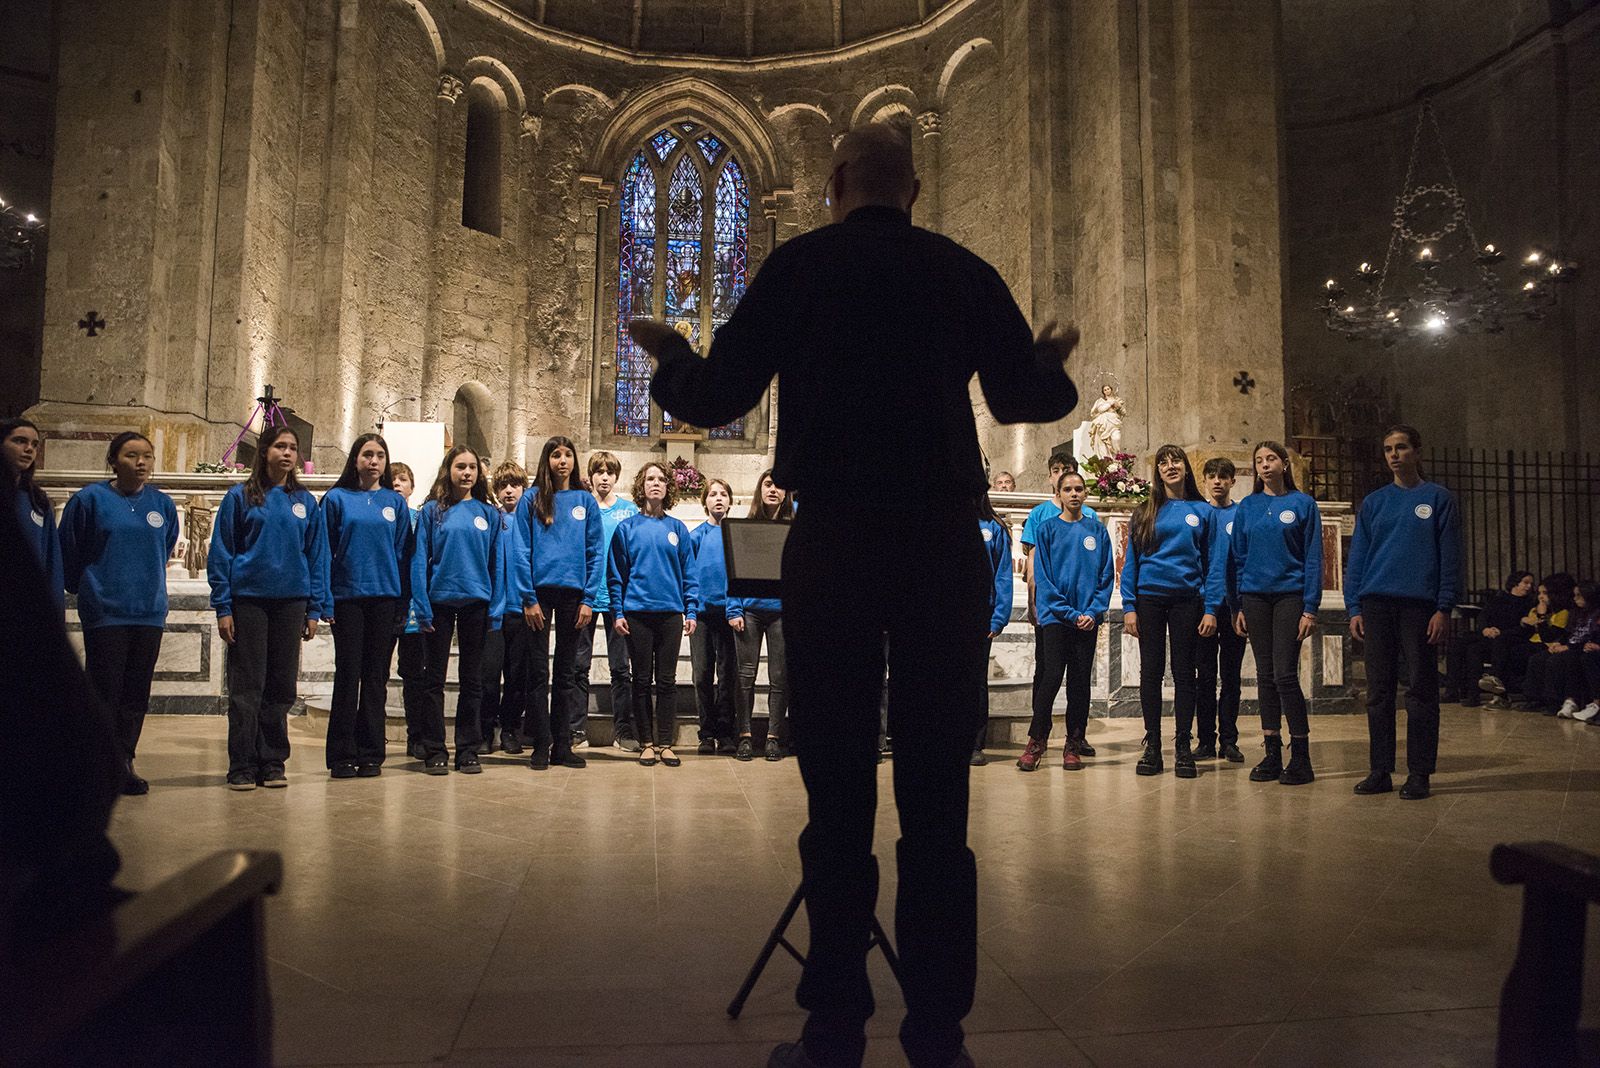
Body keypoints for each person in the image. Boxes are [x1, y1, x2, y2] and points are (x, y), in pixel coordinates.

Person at [635, 121, 1079, 1068]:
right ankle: (937, 1032)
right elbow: (1022, 403)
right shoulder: (961, 269)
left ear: (835, 183)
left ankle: (834, 1024)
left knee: (835, 792)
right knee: (936, 800)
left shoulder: (800, 267)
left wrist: (671, 350)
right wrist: (1051, 358)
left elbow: (713, 397)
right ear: (914, 191)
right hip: (937, 545)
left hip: (833, 542)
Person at [207, 425, 331, 790]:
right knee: (247, 687)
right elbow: (222, 553)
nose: (287, 453)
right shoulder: (240, 497)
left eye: (293, 448)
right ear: (264, 452)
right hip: (249, 601)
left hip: (291, 602)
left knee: (280, 686)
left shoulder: (305, 502)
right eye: (280, 446)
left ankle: (273, 761)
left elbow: (316, 556)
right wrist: (223, 606)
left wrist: (314, 609)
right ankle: (242, 765)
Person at [58, 431, 180, 794]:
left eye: (147, 456)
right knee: (104, 692)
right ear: (113, 460)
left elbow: (167, 544)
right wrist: (91, 587)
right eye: (131, 455)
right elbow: (70, 548)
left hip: (149, 611)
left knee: (135, 694)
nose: (141, 463)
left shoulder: (162, 504)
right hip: (106, 610)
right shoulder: (90, 500)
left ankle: (125, 760)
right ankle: (98, 764)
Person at [1345, 424, 1461, 801]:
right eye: (1388, 449)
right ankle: (1380, 770)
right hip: (1376, 604)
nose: (1394, 455)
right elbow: (1358, 558)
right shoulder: (1375, 502)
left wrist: (1443, 607)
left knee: (1421, 691)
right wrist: (1354, 607)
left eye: (1401, 447)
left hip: (1419, 606)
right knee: (1378, 692)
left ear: (1418, 451)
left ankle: (1419, 773)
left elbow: (1450, 558)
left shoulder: (1438, 498)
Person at [1120, 445, 1224, 779]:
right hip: (1149, 598)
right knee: (1150, 672)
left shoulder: (1202, 510)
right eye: (1163, 462)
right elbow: (1131, 563)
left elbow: (1213, 564)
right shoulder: (1145, 510)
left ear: (1185, 467)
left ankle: (1182, 745)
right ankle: (1153, 744)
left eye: (1175, 460)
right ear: (1157, 471)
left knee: (1184, 673)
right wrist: (1129, 607)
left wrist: (1211, 608)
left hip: (1187, 600)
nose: (1170, 466)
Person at [1229, 442, 1323, 786]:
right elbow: (1239, 557)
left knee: (1284, 674)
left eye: (1270, 459)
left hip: (1289, 596)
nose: (1264, 465)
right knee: (1266, 675)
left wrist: (1310, 608)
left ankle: (1301, 755)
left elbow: (1313, 558)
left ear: (1284, 464)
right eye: (1258, 461)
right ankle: (1271, 753)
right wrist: (1237, 604)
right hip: (1254, 597)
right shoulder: (1248, 506)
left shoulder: (1302, 504)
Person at [319, 434, 411, 779]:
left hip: (385, 598)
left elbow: (404, 555)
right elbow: (322, 552)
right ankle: (342, 754)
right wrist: (325, 597)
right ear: (355, 460)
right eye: (367, 454)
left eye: (380, 456)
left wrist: (404, 602)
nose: (373, 461)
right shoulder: (336, 499)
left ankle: (372, 753)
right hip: (347, 598)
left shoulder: (394, 503)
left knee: (376, 679)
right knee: (348, 676)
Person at [410, 445, 503, 775]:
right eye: (460, 466)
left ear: (479, 474)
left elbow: (497, 564)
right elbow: (420, 559)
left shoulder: (489, 514)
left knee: (472, 681)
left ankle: (468, 749)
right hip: (439, 602)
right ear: (448, 470)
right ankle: (435, 749)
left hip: (477, 603)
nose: (467, 472)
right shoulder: (433, 511)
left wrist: (497, 606)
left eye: (472, 468)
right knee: (433, 681)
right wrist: (420, 604)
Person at [515, 436, 602, 769]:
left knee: (566, 672)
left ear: (574, 460)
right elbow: (521, 549)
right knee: (538, 672)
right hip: (539, 594)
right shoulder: (532, 499)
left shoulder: (585, 501)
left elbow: (595, 552)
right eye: (555, 455)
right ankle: (540, 743)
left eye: (567, 455)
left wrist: (589, 598)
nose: (562, 460)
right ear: (546, 460)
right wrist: (528, 597)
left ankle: (562, 745)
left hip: (574, 595)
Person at [1017, 470, 1111, 772]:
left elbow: (1106, 577)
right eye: (1067, 489)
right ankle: (1037, 740)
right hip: (1057, 617)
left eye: (1079, 489)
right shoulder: (1046, 530)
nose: (1073, 494)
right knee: (1051, 677)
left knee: (1080, 682)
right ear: (1059, 493)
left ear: (1085, 494)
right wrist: (1069, 613)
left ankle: (1074, 742)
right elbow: (1042, 578)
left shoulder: (1097, 532)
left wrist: (1093, 612)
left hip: (1086, 618)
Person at [607, 461, 699, 768]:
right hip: (637, 614)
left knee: (667, 681)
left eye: (661, 479)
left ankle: (665, 743)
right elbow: (617, 575)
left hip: (671, 614)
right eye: (650, 478)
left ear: (668, 487)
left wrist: (692, 609)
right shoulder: (626, 529)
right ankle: (646, 742)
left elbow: (689, 573)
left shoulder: (677, 529)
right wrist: (618, 611)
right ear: (641, 485)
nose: (655, 483)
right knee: (641, 680)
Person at [573, 451, 640, 751]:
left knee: (620, 668)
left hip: (618, 598)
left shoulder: (629, 511)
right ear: (591, 475)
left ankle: (623, 731)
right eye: (598, 471)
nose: (604, 477)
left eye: (609, 472)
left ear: (616, 476)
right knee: (578, 666)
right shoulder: (582, 507)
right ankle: (576, 730)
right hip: (585, 596)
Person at [731, 470, 793, 762]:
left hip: (782, 612)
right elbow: (731, 571)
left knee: (779, 678)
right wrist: (733, 608)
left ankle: (773, 738)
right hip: (751, 610)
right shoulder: (747, 527)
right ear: (760, 490)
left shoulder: (794, 527)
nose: (773, 490)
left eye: (779, 486)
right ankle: (744, 736)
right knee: (746, 676)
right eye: (768, 484)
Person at [1194, 457, 1246, 763]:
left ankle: (1229, 739)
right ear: (1204, 480)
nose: (1217, 481)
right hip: (1202, 605)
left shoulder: (1241, 514)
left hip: (1233, 606)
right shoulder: (1199, 514)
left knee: (1231, 676)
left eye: (1223, 476)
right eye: (1211, 476)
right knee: (1205, 676)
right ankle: (1204, 741)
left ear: (1232, 481)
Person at [480, 461, 531, 756]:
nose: (509, 490)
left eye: (514, 484)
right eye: (502, 485)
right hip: (493, 612)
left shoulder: (530, 521)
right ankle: (485, 730)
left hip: (523, 611)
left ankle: (511, 729)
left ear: (523, 487)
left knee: (517, 677)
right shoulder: (491, 519)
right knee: (488, 677)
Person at [689, 477, 739, 755]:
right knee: (702, 675)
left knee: (727, 675)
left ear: (730, 502)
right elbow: (689, 575)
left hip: (729, 614)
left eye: (723, 494)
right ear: (705, 501)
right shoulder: (696, 536)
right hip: (701, 615)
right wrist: (691, 610)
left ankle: (726, 731)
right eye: (712, 494)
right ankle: (706, 733)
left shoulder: (735, 534)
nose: (718, 498)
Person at [2, 418, 63, 615]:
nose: (29, 449)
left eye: (34, 444)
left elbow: (50, 561)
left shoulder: (37, 499)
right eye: (20, 441)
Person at [389, 462, 430, 759]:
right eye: (392, 479)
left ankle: (417, 736)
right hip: (386, 601)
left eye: (403, 479)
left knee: (416, 674)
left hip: (415, 609)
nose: (397, 483)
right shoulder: (380, 517)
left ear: (412, 487)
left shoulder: (420, 518)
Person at [1445, 570, 1533, 707]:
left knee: (1473, 648)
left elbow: (1523, 627)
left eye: (1530, 584)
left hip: (1508, 640)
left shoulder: (1528, 603)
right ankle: (1457, 691)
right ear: (1515, 583)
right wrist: (1485, 628)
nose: (1528, 587)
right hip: (1490, 636)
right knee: (1462, 644)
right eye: (1525, 583)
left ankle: (1473, 693)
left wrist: (1501, 632)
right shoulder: (1499, 599)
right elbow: (1484, 615)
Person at [971, 490, 1014, 766]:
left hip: (980, 614)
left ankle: (975, 743)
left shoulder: (993, 527)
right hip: (945, 615)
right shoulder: (942, 523)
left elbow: (1003, 574)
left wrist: (998, 617)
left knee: (975, 682)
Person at [1519, 573, 1577, 714]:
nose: (1540, 597)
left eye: (1545, 593)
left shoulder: (1564, 612)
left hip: (1556, 644)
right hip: (1548, 644)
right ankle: (1532, 698)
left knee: (1544, 660)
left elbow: (1548, 636)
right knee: (1531, 657)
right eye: (1539, 593)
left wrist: (1542, 617)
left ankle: (1552, 702)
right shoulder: (1543, 609)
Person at [1549, 582, 1599, 718]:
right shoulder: (1575, 612)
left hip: (1584, 647)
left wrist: (1569, 647)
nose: (1575, 598)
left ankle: (1577, 700)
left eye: (1579, 595)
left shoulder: (1596, 613)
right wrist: (1558, 643)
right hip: (1573, 645)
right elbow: (1568, 633)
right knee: (1547, 659)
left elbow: (1593, 635)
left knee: (1575, 658)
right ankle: (1559, 701)